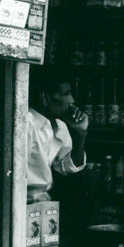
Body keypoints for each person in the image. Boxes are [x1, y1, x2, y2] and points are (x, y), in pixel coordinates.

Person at [27, 66, 88, 202]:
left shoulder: (59, 126)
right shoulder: (26, 122)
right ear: (45, 98)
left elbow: (67, 168)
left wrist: (81, 134)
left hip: (43, 201)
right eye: (66, 93)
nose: (72, 100)